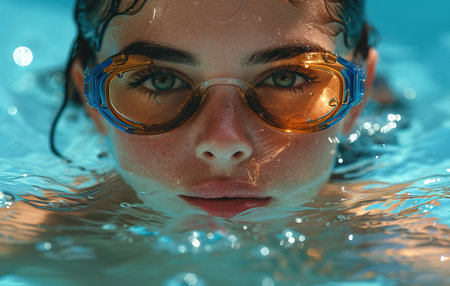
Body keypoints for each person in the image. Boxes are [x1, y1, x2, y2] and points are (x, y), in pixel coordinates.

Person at [57, 0, 378, 218]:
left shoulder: (405, 253)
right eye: (161, 80)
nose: (224, 143)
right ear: (92, 103)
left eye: (285, 78)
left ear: (357, 99)